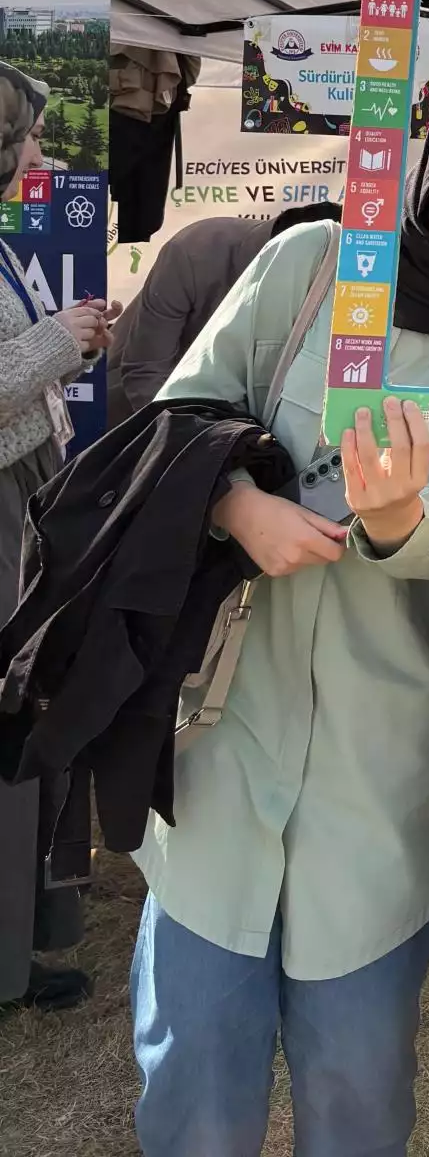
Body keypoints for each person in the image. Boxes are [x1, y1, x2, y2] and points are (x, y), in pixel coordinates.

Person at [129, 79, 429, 1157]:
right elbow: (179, 417)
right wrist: (238, 506)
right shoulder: (313, 265)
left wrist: (396, 519)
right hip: (220, 757)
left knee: (358, 1096)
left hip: (382, 789)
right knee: (194, 1087)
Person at [0, 61, 118, 1016]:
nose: (40, 150)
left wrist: (63, 341)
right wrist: (56, 342)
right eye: (29, 133)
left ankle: (17, 942)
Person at [108, 203, 342, 420]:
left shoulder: (334, 276)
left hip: (240, 425)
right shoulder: (196, 251)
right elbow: (146, 371)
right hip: (145, 417)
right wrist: (192, 439)